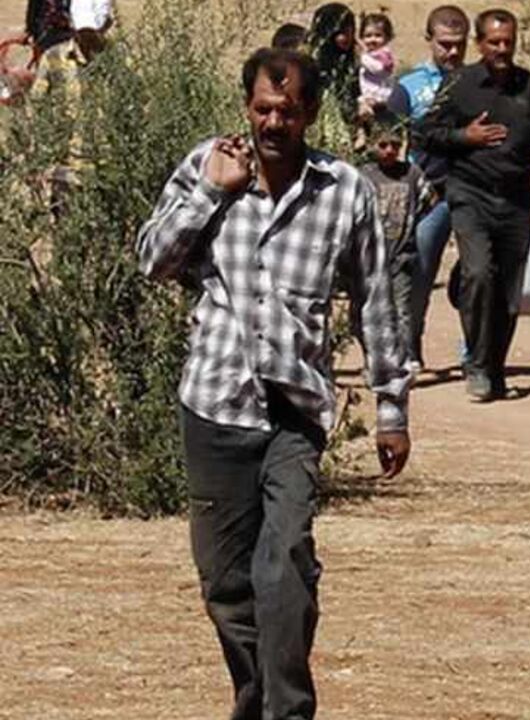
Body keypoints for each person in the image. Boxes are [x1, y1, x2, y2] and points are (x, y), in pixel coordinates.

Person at [136, 48, 412, 720]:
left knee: (285, 563)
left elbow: (376, 297)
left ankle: (286, 710)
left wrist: (391, 407)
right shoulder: (211, 165)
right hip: (215, 402)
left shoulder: (343, 190)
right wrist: (210, 192)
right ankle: (255, 692)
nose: (274, 122)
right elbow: (152, 260)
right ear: (246, 107)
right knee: (226, 585)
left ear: (312, 114)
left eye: (289, 111)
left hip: (293, 408)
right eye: (263, 108)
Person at [423, 8, 530, 401]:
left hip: (515, 201)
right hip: (470, 194)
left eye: (508, 42)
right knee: (478, 273)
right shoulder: (460, 85)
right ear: (479, 44)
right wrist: (465, 136)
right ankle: (475, 365)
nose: (502, 49)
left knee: (508, 290)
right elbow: (424, 132)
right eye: (494, 42)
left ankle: (494, 369)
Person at [385, 5, 470, 371]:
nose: (452, 52)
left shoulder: (480, 81)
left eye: (459, 45)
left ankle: (475, 354)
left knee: (478, 274)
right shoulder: (408, 87)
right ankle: (409, 343)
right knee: (418, 270)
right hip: (429, 194)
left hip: (472, 191)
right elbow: (388, 137)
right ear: (429, 40)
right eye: (445, 44)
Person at [359, 116, 425, 363]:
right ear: (372, 145)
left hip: (402, 255)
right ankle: (374, 358)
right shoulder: (364, 176)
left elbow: (429, 199)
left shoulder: (411, 174)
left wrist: (409, 226)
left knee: (402, 310)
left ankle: (404, 359)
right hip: (369, 256)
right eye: (383, 145)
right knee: (369, 310)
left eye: (395, 146)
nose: (389, 151)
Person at [308, 3, 360, 125]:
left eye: (350, 31)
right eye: (341, 32)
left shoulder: (350, 63)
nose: (347, 37)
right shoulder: (313, 66)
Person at [357, 11, 397, 119]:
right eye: (368, 36)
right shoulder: (370, 54)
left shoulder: (384, 54)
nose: (372, 39)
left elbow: (379, 69)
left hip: (380, 95)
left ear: (387, 37)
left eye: (378, 35)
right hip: (369, 94)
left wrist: (362, 59)